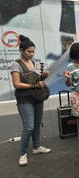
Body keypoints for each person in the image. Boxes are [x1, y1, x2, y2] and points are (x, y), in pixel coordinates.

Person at [11, 35, 51, 166]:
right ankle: (23, 153)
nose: (32, 54)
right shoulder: (16, 64)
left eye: (33, 51)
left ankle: (36, 147)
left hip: (37, 97)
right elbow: (16, 84)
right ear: (22, 50)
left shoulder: (34, 63)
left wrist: (43, 76)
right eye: (29, 51)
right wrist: (34, 85)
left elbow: (37, 80)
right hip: (24, 99)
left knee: (37, 123)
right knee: (29, 126)